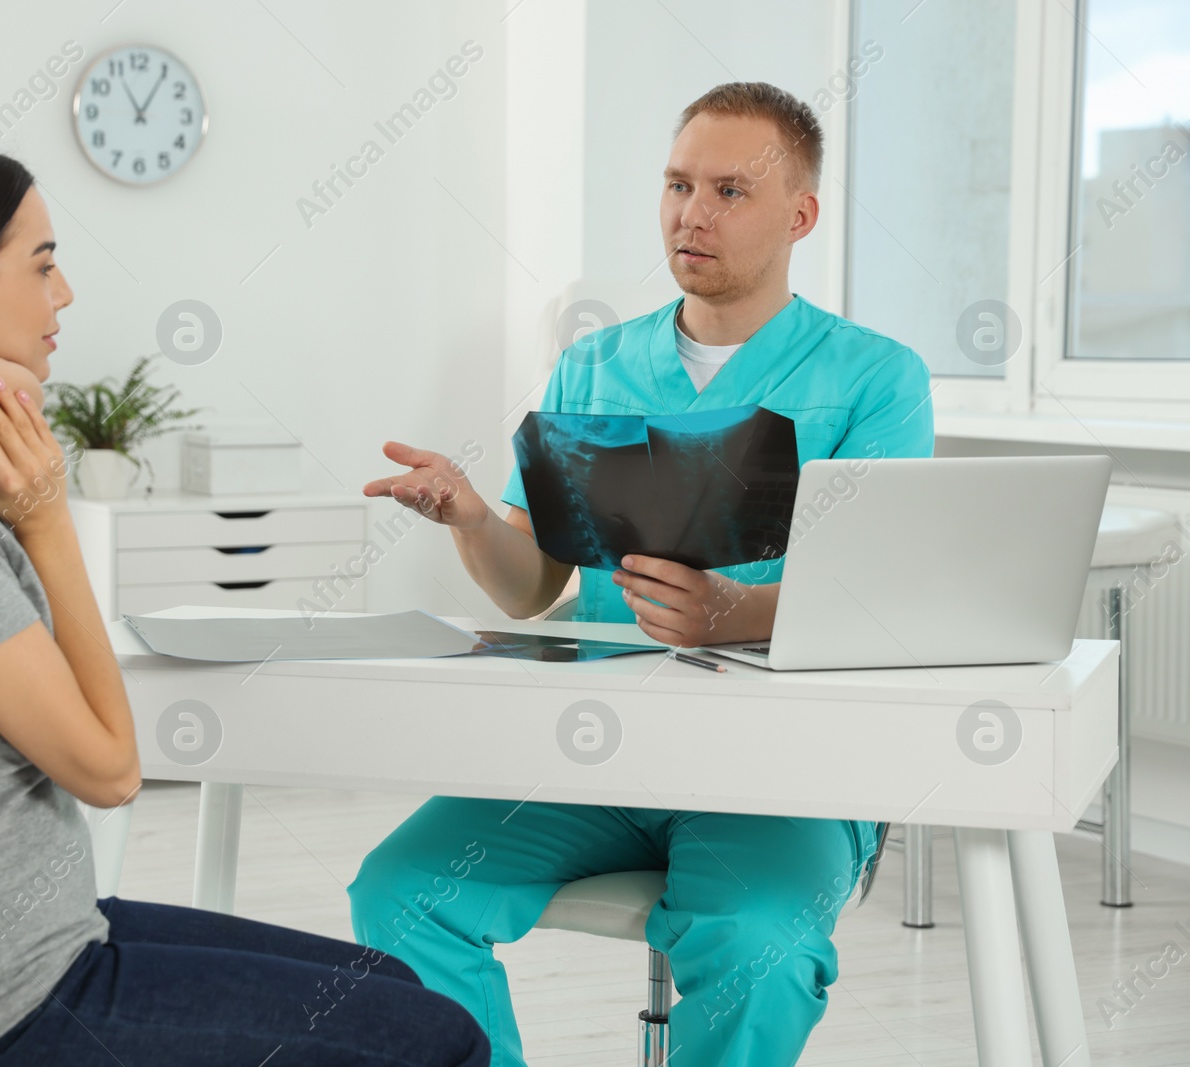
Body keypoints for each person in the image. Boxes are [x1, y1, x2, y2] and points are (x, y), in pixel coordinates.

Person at [0, 136, 489, 1067]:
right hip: (9, 1003)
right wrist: (48, 524)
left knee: (395, 986)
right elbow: (109, 771)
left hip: (29, 945)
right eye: (44, 265)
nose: (64, 296)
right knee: (445, 1041)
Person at [347, 82, 933, 1067]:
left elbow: (881, 601)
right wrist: (469, 515)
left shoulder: (875, 378)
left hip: (783, 768)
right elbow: (532, 587)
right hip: (604, 750)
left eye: (728, 191)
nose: (689, 213)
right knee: (403, 889)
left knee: (757, 943)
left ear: (800, 216)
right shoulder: (591, 367)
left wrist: (734, 611)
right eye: (675, 184)